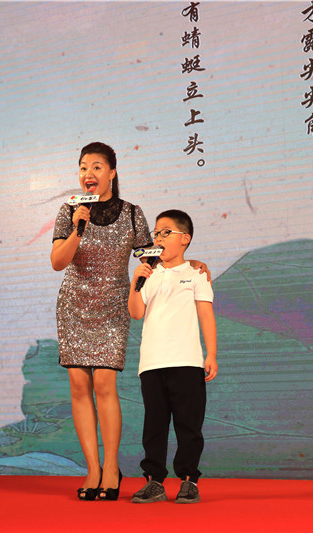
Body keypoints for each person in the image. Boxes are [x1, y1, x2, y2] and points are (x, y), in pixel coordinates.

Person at [51, 143, 210, 501]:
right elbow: (58, 262)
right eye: (83, 167)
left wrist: (193, 262)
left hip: (113, 306)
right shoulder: (69, 211)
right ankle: (93, 469)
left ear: (112, 172)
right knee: (79, 386)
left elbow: (153, 256)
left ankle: (111, 468)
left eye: (96, 166)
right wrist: (78, 229)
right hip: (74, 304)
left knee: (104, 383)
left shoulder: (133, 214)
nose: (88, 173)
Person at [127, 209, 218, 504]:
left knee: (188, 425)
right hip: (152, 363)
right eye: (156, 233)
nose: (159, 238)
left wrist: (211, 354)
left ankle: (189, 481)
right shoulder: (149, 274)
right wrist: (136, 281)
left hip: (187, 363)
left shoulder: (196, 274)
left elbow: (206, 315)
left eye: (166, 232)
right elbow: (136, 313)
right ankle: (154, 481)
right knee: (154, 426)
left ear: (185, 239)